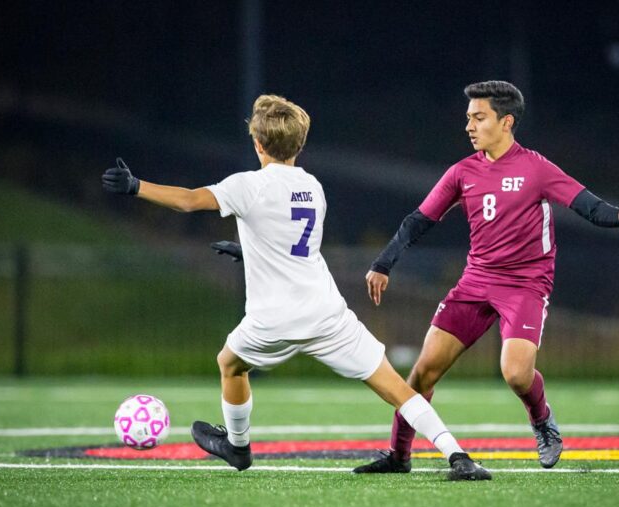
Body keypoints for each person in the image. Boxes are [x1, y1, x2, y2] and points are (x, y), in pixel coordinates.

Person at [102, 94, 491, 481]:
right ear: (300, 145)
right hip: (325, 313)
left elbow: (188, 201)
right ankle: (457, 455)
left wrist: (136, 186)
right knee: (394, 386)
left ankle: (238, 445)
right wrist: (249, 252)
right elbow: (293, 244)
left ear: (257, 144)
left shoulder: (248, 185)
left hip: (273, 319)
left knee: (230, 363)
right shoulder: (313, 187)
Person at [351, 80, 619, 474]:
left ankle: (542, 422)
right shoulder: (463, 171)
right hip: (475, 283)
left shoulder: (536, 168)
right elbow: (418, 220)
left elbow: (586, 205)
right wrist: (383, 263)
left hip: (525, 285)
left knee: (516, 373)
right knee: (422, 373)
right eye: (468, 118)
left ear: (506, 122)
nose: (469, 126)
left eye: (479, 117)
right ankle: (399, 456)